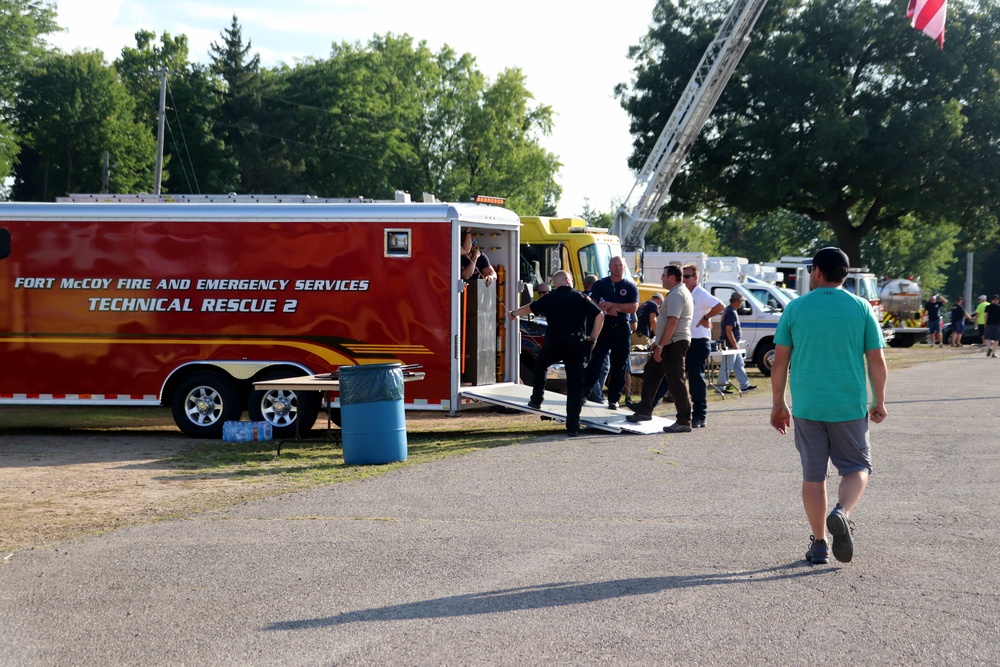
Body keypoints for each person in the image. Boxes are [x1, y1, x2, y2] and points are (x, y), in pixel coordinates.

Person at [770, 247, 888, 565]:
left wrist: (778, 403)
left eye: (812, 270)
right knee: (857, 468)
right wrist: (879, 400)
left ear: (819, 272)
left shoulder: (795, 308)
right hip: (848, 404)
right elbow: (876, 359)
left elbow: (779, 361)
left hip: (807, 405)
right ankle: (842, 511)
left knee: (814, 476)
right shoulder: (861, 308)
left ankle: (820, 543)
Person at [509, 271, 604, 436]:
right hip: (576, 345)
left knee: (541, 365)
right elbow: (600, 315)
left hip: (554, 344)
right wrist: (593, 338)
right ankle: (573, 427)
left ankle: (537, 399)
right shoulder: (580, 297)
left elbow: (529, 308)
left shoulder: (549, 298)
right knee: (575, 385)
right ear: (568, 280)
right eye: (572, 279)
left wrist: (513, 314)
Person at [626, 265, 694, 433]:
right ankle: (644, 410)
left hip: (674, 343)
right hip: (669, 342)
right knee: (651, 371)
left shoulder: (678, 294)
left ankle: (684, 420)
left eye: (664, 275)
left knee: (676, 380)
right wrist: (658, 343)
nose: (661, 278)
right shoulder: (676, 293)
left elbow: (673, 322)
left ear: (672, 277)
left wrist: (661, 345)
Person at [583, 257, 639, 409]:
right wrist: (604, 309)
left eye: (620, 265)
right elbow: (591, 301)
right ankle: (584, 394)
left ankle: (614, 399)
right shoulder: (601, 284)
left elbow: (633, 307)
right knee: (596, 361)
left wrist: (615, 306)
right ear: (610, 267)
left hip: (621, 327)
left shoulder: (630, 286)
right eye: (615, 265)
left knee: (619, 364)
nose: (618, 267)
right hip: (603, 327)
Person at [681, 264, 725, 428]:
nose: (684, 279)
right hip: (685, 339)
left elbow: (720, 305)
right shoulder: (684, 293)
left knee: (696, 378)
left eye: (687, 276)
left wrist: (706, 317)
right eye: (682, 276)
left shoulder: (700, 293)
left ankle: (700, 415)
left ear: (695, 278)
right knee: (674, 375)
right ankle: (648, 407)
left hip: (698, 341)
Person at [717, 293, 757, 393]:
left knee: (739, 365)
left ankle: (744, 385)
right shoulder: (731, 312)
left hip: (732, 345)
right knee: (727, 366)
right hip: (730, 345)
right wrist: (734, 345)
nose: (742, 303)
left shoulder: (729, 310)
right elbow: (728, 330)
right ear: (736, 301)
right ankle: (720, 387)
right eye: (741, 301)